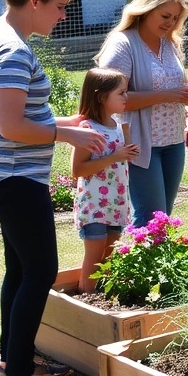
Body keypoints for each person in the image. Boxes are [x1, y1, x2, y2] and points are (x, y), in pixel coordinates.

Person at [0, 0, 106, 376]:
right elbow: (12, 127)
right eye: (60, 6)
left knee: (20, 269)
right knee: (41, 271)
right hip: (13, 177)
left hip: (1, 173)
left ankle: (15, 361)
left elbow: (17, 113)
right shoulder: (10, 48)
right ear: (33, 1)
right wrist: (65, 134)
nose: (64, 14)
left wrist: (65, 122)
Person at [96, 0, 188, 228]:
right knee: (150, 218)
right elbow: (110, 100)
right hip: (140, 145)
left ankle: (153, 266)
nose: (170, 23)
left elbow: (177, 85)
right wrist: (169, 95)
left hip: (173, 142)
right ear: (145, 9)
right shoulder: (122, 44)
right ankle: (137, 266)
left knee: (162, 218)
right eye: (165, 16)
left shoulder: (171, 43)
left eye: (175, 18)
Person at [71, 68, 139, 293]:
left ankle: (102, 298)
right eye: (121, 93)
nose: (126, 97)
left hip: (116, 203)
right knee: (94, 255)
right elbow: (78, 170)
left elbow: (121, 162)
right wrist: (115, 156)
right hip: (94, 206)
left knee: (109, 254)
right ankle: (86, 300)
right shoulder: (88, 129)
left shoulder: (119, 126)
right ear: (102, 97)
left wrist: (127, 153)